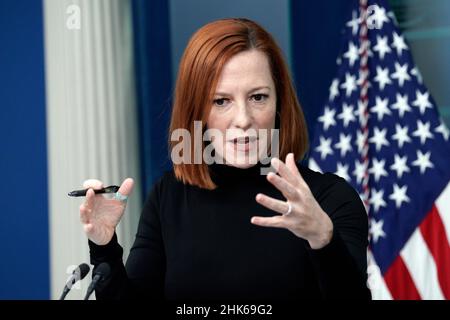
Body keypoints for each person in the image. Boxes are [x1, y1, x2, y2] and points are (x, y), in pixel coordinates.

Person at [79, 18, 371, 300]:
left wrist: (323, 239)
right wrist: (104, 246)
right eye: (221, 101)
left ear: (279, 103)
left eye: (258, 97)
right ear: (197, 112)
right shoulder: (169, 196)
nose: (243, 120)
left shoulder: (331, 198)